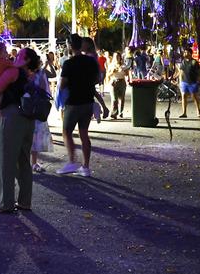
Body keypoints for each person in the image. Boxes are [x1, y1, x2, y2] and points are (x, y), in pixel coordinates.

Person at [0, 48, 39, 213]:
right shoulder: (32, 75)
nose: (14, 55)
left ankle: (6, 203)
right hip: (27, 118)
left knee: (4, 161)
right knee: (23, 160)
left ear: (26, 59)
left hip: (9, 117)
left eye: (20, 54)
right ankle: (25, 201)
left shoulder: (12, 72)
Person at [57, 34, 109, 177]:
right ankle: (85, 166)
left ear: (69, 46)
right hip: (87, 101)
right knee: (84, 133)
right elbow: (98, 79)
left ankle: (72, 161)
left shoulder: (69, 63)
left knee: (67, 131)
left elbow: (62, 85)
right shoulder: (91, 62)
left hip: (73, 101)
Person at [30, 61, 53, 172]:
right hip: (37, 108)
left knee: (27, 136)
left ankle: (25, 162)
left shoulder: (22, 73)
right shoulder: (40, 74)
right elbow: (44, 91)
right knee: (35, 136)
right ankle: (33, 163)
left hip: (25, 107)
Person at [178, 48, 200, 118]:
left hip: (193, 82)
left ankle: (198, 110)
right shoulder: (183, 62)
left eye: (186, 52)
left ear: (190, 53)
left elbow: (198, 72)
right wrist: (180, 82)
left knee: (194, 97)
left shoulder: (194, 62)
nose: (185, 53)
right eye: (184, 52)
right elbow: (181, 72)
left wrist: (198, 80)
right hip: (184, 82)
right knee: (183, 96)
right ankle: (184, 113)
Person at [107, 52, 128, 119]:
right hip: (113, 82)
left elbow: (127, 74)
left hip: (122, 82)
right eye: (115, 56)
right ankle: (114, 113)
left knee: (121, 98)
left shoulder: (123, 65)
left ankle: (120, 112)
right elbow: (108, 75)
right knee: (114, 99)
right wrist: (112, 72)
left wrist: (124, 71)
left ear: (120, 58)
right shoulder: (111, 65)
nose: (116, 58)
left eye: (118, 56)